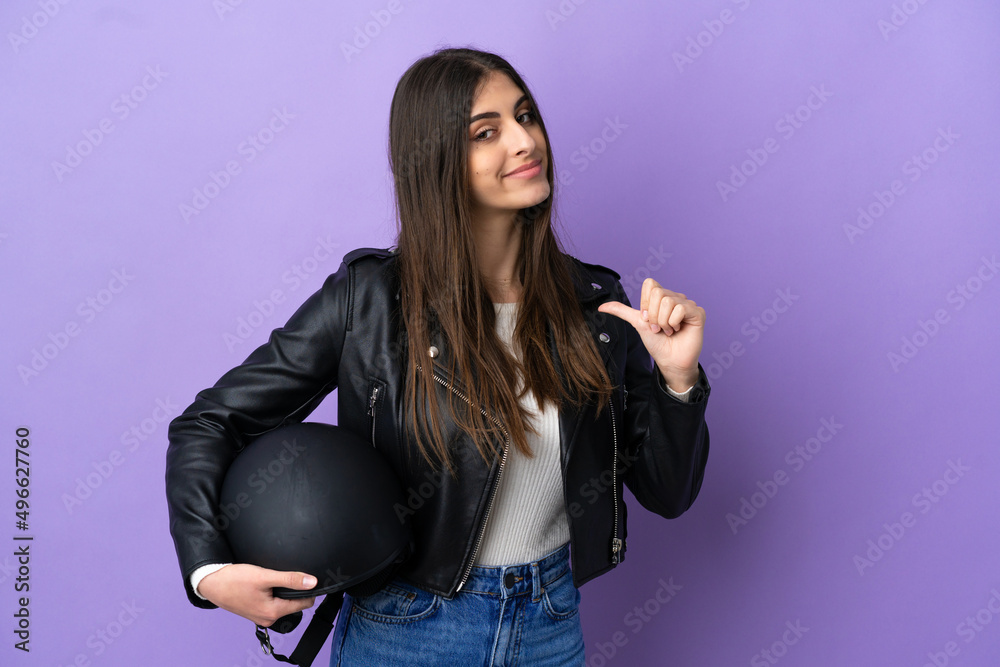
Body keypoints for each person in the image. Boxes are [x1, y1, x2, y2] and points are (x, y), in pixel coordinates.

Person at [165, 46, 711, 666]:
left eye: (525, 116)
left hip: (551, 625)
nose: (524, 140)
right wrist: (208, 571)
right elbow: (209, 422)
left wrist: (677, 378)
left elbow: (669, 494)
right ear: (437, 162)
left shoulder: (596, 305)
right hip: (410, 626)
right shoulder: (369, 302)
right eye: (487, 132)